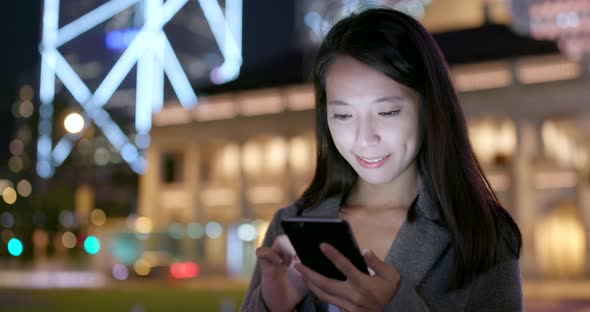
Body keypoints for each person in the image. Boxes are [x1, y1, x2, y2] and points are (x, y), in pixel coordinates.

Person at [240, 7, 523, 312]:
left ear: (429, 108)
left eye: (387, 112)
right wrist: (271, 306)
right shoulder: (290, 225)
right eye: (343, 115)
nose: (364, 138)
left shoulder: (480, 235)